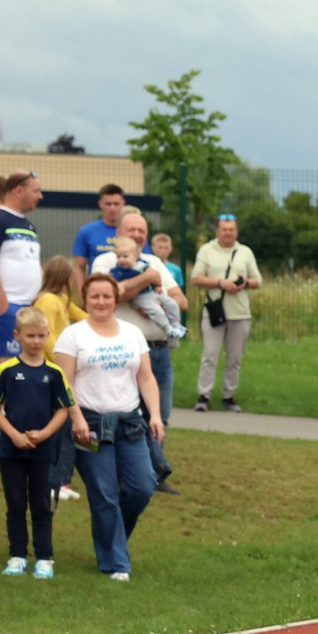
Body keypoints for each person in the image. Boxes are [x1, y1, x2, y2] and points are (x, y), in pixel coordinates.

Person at [54, 275, 165, 581]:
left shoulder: (132, 333)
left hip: (130, 423)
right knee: (104, 493)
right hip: (88, 426)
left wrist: (154, 414)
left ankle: (112, 541)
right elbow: (65, 384)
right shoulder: (72, 336)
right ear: (85, 299)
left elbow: (146, 377)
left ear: (115, 299)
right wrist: (75, 418)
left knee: (142, 487)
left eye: (107, 296)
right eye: (95, 297)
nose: (101, 302)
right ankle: (116, 563)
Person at [92, 209, 184, 496]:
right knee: (123, 415)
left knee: (159, 413)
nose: (138, 235)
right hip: (123, 351)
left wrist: (156, 291)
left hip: (158, 350)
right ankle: (123, 473)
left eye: (142, 231)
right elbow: (108, 296)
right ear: (119, 233)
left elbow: (181, 300)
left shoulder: (154, 261)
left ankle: (154, 474)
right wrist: (147, 280)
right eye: (132, 230)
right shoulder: (106, 261)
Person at [0, 308, 72, 578]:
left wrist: (45, 433)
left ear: (48, 335)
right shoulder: (6, 370)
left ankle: (44, 557)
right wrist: (13, 434)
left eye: (41, 335)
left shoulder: (54, 373)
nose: (36, 341)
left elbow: (63, 410)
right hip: (10, 449)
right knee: (15, 502)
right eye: (30, 336)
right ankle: (17, 554)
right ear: (17, 336)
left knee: (40, 502)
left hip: (43, 449)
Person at [190, 214, 261, 412]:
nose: (228, 233)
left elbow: (258, 280)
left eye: (231, 229)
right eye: (224, 229)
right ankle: (204, 395)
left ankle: (229, 395)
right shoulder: (206, 250)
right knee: (210, 355)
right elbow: (196, 278)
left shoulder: (245, 252)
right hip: (215, 310)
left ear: (236, 232)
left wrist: (245, 283)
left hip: (240, 312)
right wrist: (220, 283)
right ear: (217, 231)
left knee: (234, 358)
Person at [31, 256, 86, 503]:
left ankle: (58, 480)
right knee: (60, 427)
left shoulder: (62, 300)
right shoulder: (47, 300)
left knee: (63, 427)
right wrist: (63, 361)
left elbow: (82, 316)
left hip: (59, 370)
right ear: (64, 277)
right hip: (52, 371)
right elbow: (46, 334)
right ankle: (55, 481)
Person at [0, 169, 45, 363]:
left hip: (29, 306)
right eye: (36, 191)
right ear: (18, 191)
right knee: (6, 366)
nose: (40, 196)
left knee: (26, 367)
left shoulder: (29, 225)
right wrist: (3, 303)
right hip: (8, 306)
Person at [103, 232, 188, 342]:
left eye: (125, 256)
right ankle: (168, 330)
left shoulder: (142, 265)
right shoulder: (117, 271)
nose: (122, 260)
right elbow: (115, 287)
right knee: (157, 311)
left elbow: (156, 276)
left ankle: (176, 324)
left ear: (135, 256)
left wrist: (157, 286)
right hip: (140, 298)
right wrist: (139, 281)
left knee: (171, 303)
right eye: (118, 256)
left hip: (152, 293)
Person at [71, 183, 130, 268]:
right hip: (97, 279)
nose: (112, 208)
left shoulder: (134, 231)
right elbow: (79, 266)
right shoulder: (87, 232)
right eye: (108, 204)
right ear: (100, 204)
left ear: (123, 203)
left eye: (116, 204)